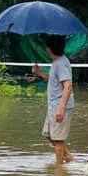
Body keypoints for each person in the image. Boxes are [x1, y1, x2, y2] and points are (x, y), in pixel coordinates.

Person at [31, 34, 74, 164]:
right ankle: (69, 158)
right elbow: (55, 80)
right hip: (54, 106)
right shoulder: (58, 62)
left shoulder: (60, 63)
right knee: (49, 134)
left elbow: (68, 86)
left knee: (58, 140)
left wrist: (60, 108)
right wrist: (40, 73)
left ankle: (59, 169)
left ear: (48, 49)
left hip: (59, 106)